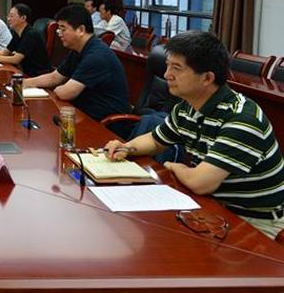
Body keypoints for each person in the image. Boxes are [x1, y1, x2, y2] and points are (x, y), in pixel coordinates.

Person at [104, 31, 284, 240]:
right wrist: (126, 148)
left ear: (207, 78)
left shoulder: (242, 118)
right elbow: (155, 140)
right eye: (168, 66)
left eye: (176, 68)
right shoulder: (186, 107)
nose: (166, 74)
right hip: (213, 207)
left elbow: (200, 182)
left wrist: (174, 166)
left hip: (255, 221)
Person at [24, 3, 130, 127]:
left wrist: (57, 88)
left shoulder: (96, 55)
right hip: (83, 114)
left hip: (106, 124)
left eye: (63, 29)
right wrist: (23, 83)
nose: (59, 33)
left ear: (81, 30)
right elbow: (54, 77)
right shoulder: (78, 51)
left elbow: (66, 93)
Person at [0, 3, 52, 77]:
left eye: (11, 16)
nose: (8, 19)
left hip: (38, 75)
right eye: (8, 16)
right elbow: (5, 52)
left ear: (23, 18)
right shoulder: (17, 33)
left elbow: (15, 60)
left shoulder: (30, 34)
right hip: (26, 72)